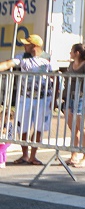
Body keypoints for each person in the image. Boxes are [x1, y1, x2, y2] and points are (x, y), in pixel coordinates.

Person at [0, 34, 55, 165]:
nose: (24, 46)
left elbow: (56, 77)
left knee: (38, 128)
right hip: (25, 97)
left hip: (43, 98)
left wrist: (55, 97)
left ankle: (33, 156)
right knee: (23, 127)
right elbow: (9, 63)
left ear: (34, 46)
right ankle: (25, 155)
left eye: (27, 44)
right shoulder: (22, 57)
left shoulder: (48, 59)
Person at [64, 43, 85, 168]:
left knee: (84, 128)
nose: (70, 53)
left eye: (71, 51)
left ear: (77, 52)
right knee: (74, 127)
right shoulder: (71, 65)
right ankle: (74, 155)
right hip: (71, 97)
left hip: (84, 97)